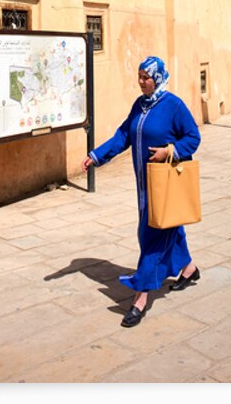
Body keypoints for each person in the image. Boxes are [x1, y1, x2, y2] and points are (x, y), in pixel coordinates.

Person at [81, 56, 201, 328]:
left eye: (146, 77)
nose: (141, 81)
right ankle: (189, 269)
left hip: (166, 184)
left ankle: (140, 296)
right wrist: (97, 156)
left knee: (152, 236)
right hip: (144, 185)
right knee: (168, 226)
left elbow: (193, 137)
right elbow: (124, 135)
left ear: (157, 78)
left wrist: (169, 151)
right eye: (139, 76)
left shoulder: (173, 105)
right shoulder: (140, 105)